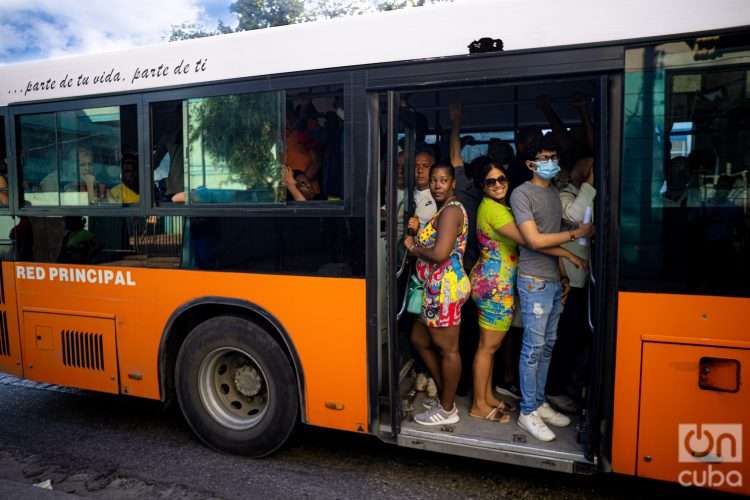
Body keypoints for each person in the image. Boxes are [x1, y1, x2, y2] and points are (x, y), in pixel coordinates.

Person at [469, 157, 584, 423]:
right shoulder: (494, 210)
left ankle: (488, 398)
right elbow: (531, 242)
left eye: (501, 179)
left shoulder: (499, 206)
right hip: (493, 285)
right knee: (488, 347)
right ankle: (478, 405)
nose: (498, 185)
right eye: (490, 181)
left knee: (492, 347)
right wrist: (568, 250)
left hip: (497, 283)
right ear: (481, 185)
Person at [510, 134, 593, 442]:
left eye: (553, 157)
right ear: (531, 163)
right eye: (544, 158)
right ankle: (527, 412)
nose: (551, 163)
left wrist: (564, 269)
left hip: (553, 280)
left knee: (547, 345)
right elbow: (534, 241)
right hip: (533, 280)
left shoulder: (555, 193)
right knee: (532, 348)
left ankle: (539, 402)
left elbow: (551, 239)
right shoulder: (521, 194)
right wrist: (577, 236)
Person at [404, 163, 471, 426]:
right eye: (434, 180)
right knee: (419, 339)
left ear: (453, 183)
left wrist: (413, 248)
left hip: (445, 290)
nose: (437, 185)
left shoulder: (452, 211)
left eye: (443, 180)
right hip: (433, 289)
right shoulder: (443, 211)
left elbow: (440, 254)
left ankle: (447, 409)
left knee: (449, 350)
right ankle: (446, 394)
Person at [547, 149, 596, 413]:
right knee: (563, 338)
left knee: (574, 337)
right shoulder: (564, 195)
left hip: (581, 277)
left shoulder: (584, 196)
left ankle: (565, 385)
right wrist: (589, 184)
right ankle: (553, 389)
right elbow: (576, 218)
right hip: (566, 278)